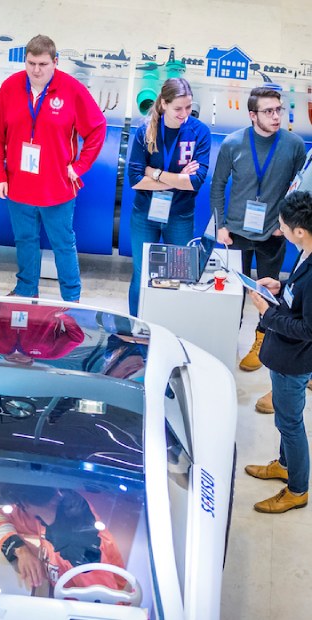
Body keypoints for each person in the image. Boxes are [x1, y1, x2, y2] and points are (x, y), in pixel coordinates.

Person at [0, 35, 106, 302]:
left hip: (57, 187)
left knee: (63, 244)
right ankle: (26, 289)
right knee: (25, 240)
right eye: (31, 63)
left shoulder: (72, 89)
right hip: (18, 184)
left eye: (43, 64)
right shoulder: (10, 87)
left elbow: (98, 128)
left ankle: (71, 298)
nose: (36, 70)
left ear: (55, 62)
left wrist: (80, 166)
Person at [210, 87, 306, 385]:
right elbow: (217, 186)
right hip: (235, 234)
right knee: (232, 294)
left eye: (279, 109)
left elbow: (299, 188)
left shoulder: (293, 144)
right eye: (269, 111)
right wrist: (220, 226)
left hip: (272, 234)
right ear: (253, 115)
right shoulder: (232, 143)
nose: (276, 116)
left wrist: (285, 223)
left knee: (269, 294)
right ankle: (225, 340)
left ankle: (261, 342)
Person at [244, 190, 312, 514]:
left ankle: (297, 489)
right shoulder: (305, 252)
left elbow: (309, 329)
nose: (279, 228)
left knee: (290, 424)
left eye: (283, 225)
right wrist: (279, 289)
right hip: (283, 354)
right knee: (286, 419)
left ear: (299, 230)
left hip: (294, 362)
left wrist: (267, 314)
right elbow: (299, 298)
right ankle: (285, 464)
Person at [127, 77, 211, 316]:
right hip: (145, 214)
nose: (184, 113)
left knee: (179, 274)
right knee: (142, 273)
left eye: (188, 107)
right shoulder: (145, 131)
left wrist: (154, 173)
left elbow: (194, 182)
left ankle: (173, 324)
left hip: (180, 216)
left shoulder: (199, 132)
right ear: (163, 103)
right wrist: (177, 178)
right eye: (178, 108)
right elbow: (134, 180)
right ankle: (135, 327)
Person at [0, 484, 125, 591]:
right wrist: (20, 549)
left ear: (25, 503)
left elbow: (106, 607)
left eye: (18, 504)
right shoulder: (50, 511)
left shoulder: (82, 556)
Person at [0, 301, 84, 360]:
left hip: (14, 297)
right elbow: (76, 338)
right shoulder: (51, 354)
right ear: (31, 363)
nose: (17, 363)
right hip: (50, 301)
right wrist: (64, 318)